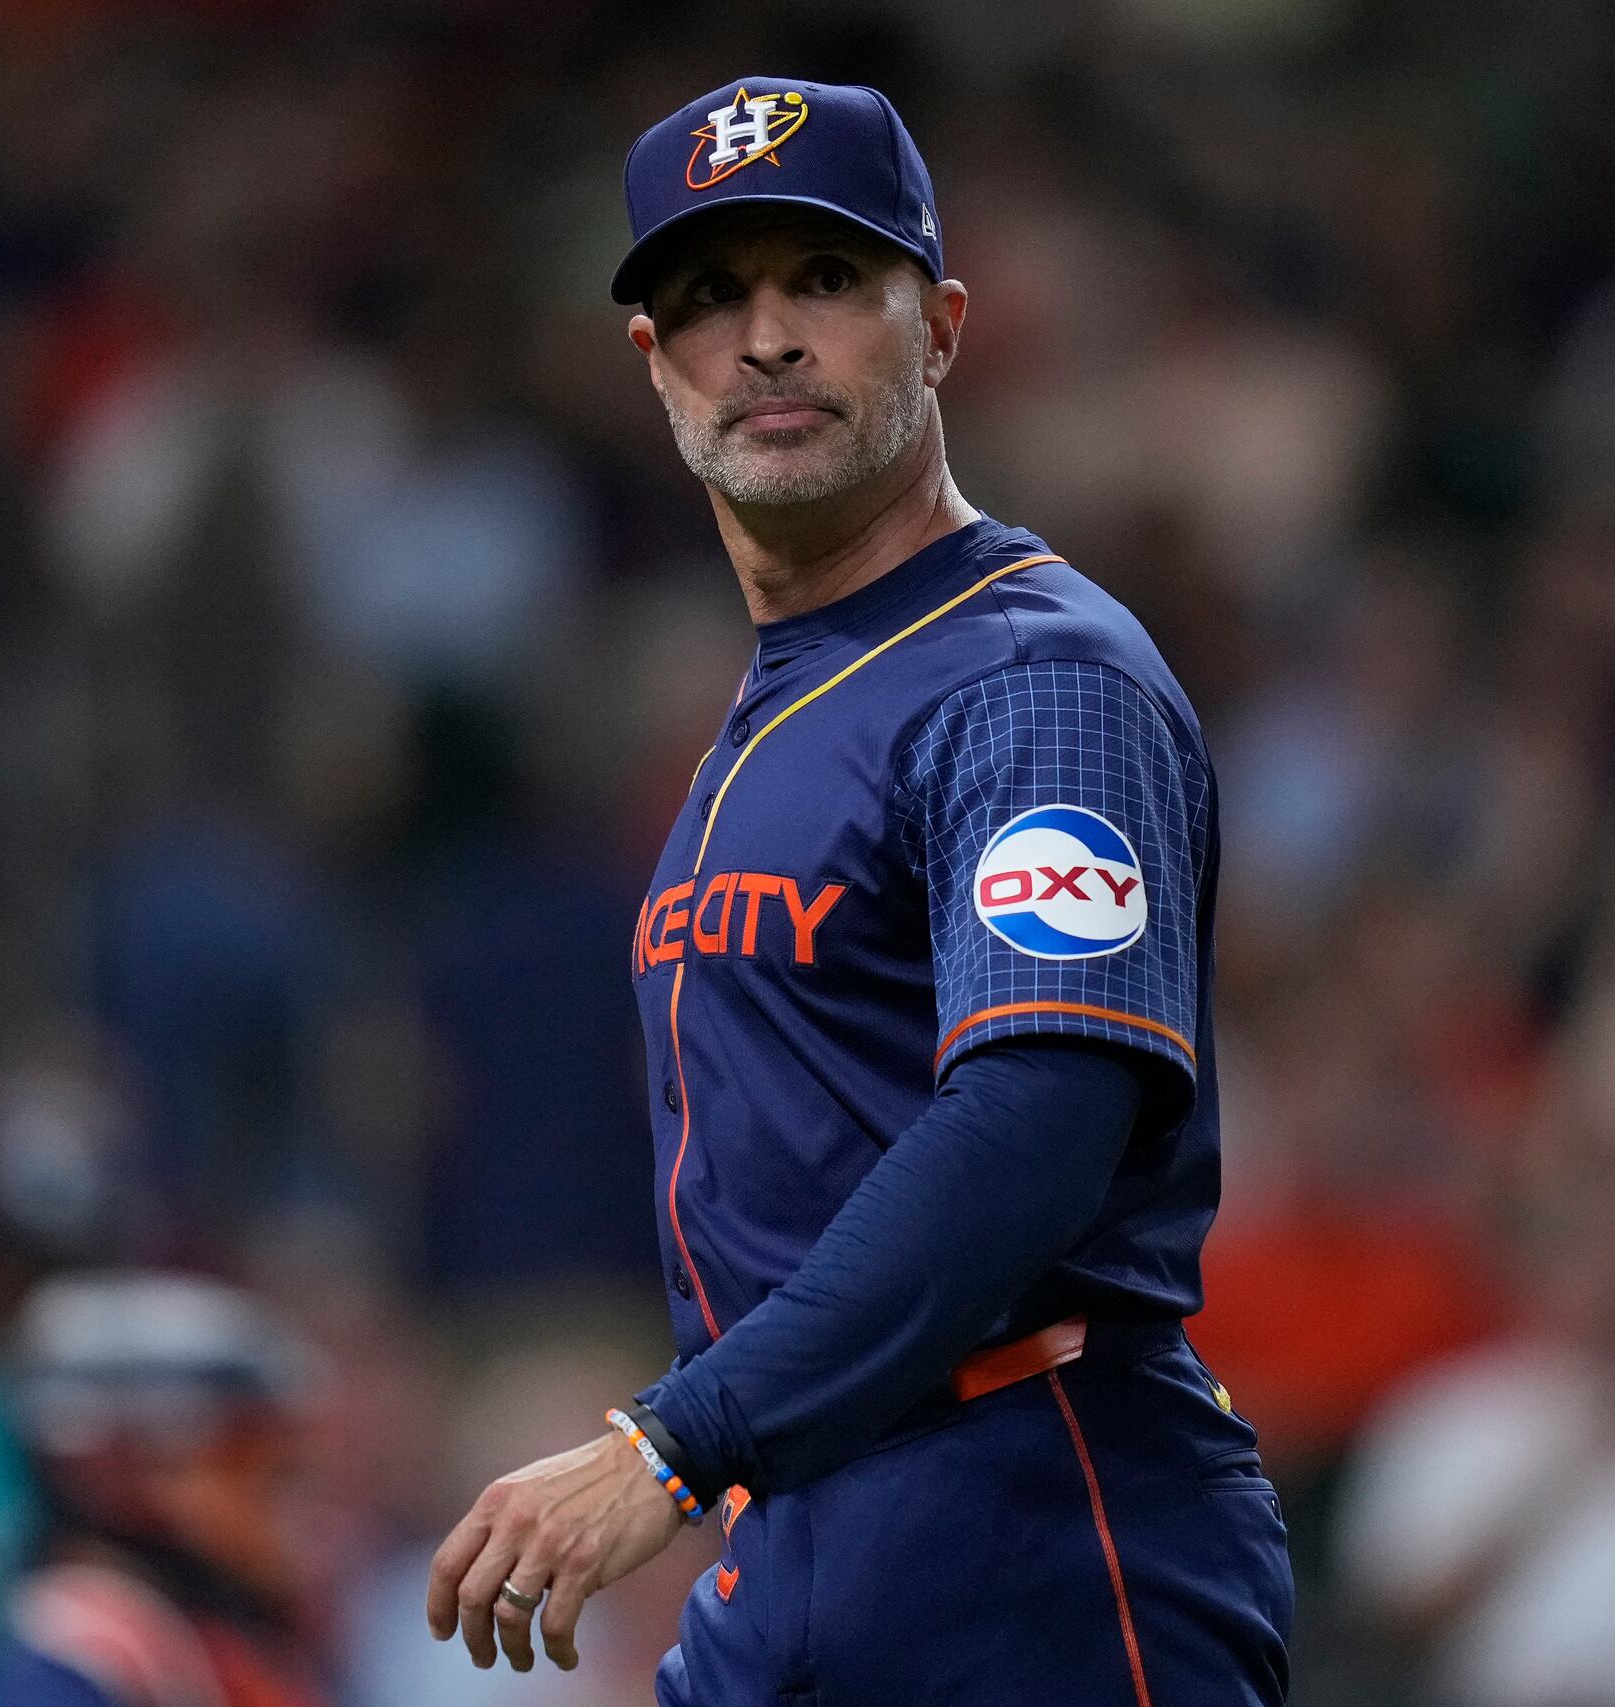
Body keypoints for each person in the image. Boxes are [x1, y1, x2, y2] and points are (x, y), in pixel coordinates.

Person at [424, 78, 1294, 1704]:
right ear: (652, 365)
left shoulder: (1032, 678)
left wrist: (674, 1440)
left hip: (1035, 1516)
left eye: (824, 280)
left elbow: (1041, 1111)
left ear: (943, 325)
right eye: (708, 297)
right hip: (810, 1525)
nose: (764, 338)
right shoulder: (779, 712)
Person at [0, 1273, 329, 1707]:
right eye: (265, 1473)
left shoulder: (192, 1647)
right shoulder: (76, 1658)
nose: (292, 1512)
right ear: (130, 1465)